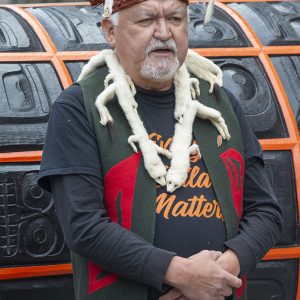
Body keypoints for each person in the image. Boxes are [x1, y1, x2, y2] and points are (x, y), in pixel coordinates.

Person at [37, 0, 283, 299]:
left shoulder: (219, 103)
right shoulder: (80, 107)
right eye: (146, 20)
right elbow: (84, 225)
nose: (164, 32)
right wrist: (180, 273)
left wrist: (221, 271)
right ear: (110, 31)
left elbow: (266, 212)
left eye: (176, 18)